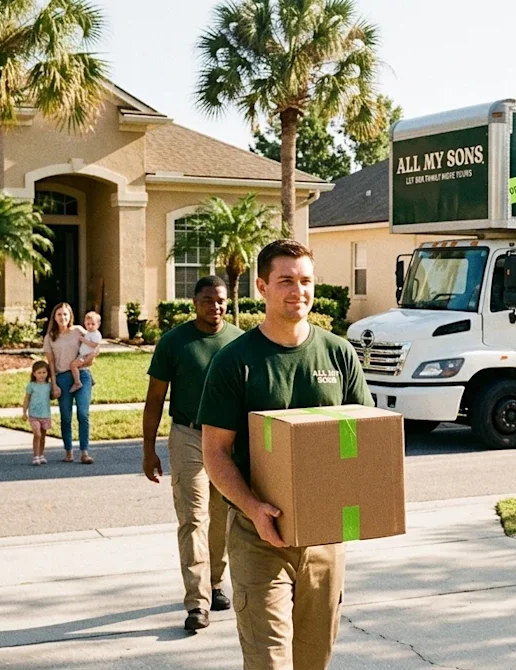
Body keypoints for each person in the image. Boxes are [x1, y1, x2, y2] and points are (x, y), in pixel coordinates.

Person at [199, 239, 373, 670]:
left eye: (306, 280)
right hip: (259, 538)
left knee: (314, 662)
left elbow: (364, 442)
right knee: (269, 663)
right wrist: (254, 508)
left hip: (324, 540)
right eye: (285, 281)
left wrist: (354, 506)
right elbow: (215, 453)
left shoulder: (338, 353)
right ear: (261, 286)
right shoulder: (234, 361)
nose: (298, 291)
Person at [143, 276, 243, 632]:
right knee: (193, 518)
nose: (214, 307)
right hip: (188, 434)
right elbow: (155, 399)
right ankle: (196, 603)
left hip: (229, 439)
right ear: (194, 302)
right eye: (206, 300)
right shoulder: (174, 343)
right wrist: (148, 449)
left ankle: (215, 582)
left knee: (222, 516)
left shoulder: (238, 341)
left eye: (220, 301)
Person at [43, 302, 97, 464]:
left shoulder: (79, 331)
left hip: (82, 375)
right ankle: (68, 451)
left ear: (70, 316)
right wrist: (54, 384)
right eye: (59, 314)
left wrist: (85, 362)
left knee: (83, 413)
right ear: (54, 316)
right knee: (66, 416)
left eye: (65, 314)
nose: (62, 317)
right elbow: (51, 363)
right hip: (62, 378)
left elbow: (94, 350)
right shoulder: (50, 337)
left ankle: (84, 452)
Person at [22, 360, 54, 465]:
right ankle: (35, 456)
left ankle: (41, 454)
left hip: (45, 414)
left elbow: (54, 395)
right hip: (34, 415)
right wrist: (24, 412)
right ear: (34, 373)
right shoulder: (31, 386)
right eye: (39, 373)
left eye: (44, 372)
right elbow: (27, 399)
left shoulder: (49, 386)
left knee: (43, 436)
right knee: (37, 434)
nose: (41, 375)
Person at [68, 311, 102, 392]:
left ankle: (77, 382)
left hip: (87, 355)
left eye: (93, 324)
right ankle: (91, 379)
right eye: (88, 324)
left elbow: (94, 345)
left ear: (98, 324)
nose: (90, 326)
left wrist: (83, 340)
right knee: (81, 367)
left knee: (73, 365)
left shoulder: (96, 334)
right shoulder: (88, 333)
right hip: (83, 354)